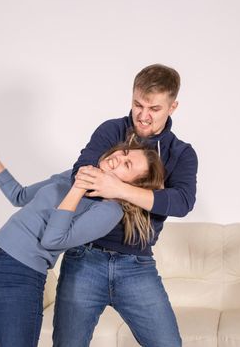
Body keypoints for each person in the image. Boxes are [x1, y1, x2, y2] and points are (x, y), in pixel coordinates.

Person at [0, 125, 164, 347]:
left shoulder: (109, 211)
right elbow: (19, 196)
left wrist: (79, 188)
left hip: (21, 277)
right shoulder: (72, 174)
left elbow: (52, 240)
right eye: (124, 152)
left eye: (127, 164)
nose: (118, 158)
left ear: (132, 185)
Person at [53, 64, 198, 346]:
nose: (143, 116)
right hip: (85, 259)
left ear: (173, 107)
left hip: (137, 265)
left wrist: (117, 187)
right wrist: (149, 196)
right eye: (137, 104)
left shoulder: (181, 153)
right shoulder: (112, 130)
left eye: (154, 108)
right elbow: (81, 175)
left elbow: (181, 202)